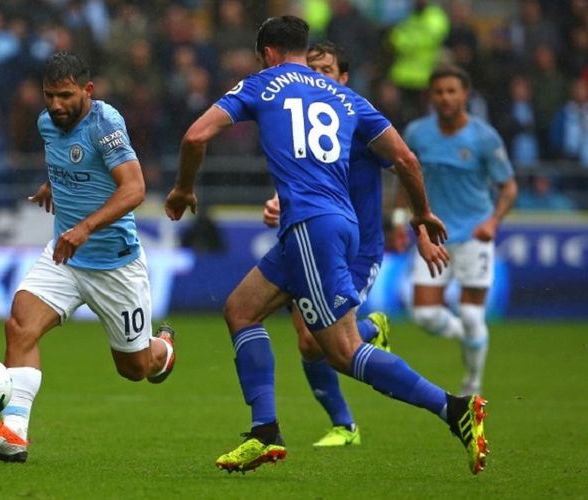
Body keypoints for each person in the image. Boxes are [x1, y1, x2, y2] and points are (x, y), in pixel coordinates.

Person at [165, 16, 488, 476]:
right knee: (240, 310)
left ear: (269, 54)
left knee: (340, 350)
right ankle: (265, 432)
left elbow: (195, 135)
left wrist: (181, 189)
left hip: (311, 227)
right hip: (332, 223)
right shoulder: (347, 98)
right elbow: (406, 159)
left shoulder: (263, 84)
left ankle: (455, 409)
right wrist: (420, 214)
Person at [0, 52, 176, 463]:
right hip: (65, 256)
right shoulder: (46, 123)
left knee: (135, 368)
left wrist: (86, 227)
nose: (56, 105)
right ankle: (13, 433)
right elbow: (72, 163)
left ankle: (162, 349)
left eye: (65, 96)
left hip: (114, 265)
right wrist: (51, 185)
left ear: (87, 91)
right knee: (20, 323)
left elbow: (134, 189)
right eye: (49, 96)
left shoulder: (105, 125)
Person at [260, 41, 397, 448]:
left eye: (326, 70)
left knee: (312, 340)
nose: (317, 76)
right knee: (308, 339)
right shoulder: (297, 116)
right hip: (310, 241)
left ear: (343, 78)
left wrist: (414, 221)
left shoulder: (359, 118)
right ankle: (344, 426)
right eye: (312, 68)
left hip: (359, 249)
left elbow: (405, 163)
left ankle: (373, 329)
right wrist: (277, 205)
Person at [404, 65, 518, 396]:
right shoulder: (416, 133)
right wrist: (401, 220)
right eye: (439, 92)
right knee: (424, 315)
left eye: (452, 91)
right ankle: (467, 335)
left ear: (465, 94)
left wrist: (492, 222)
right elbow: (406, 179)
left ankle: (472, 385)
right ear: (430, 96)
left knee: (471, 312)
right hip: (433, 236)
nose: (445, 98)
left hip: (472, 235)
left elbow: (508, 187)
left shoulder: (484, 137)